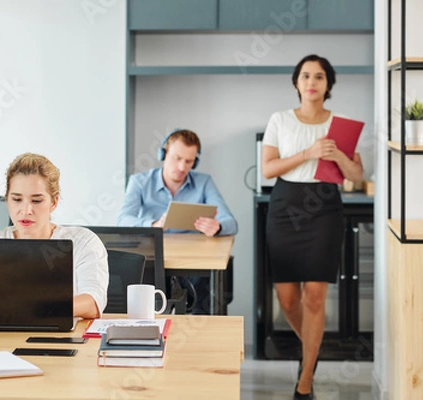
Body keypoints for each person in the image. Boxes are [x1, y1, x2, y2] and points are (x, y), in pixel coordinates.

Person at [262, 54, 363, 400]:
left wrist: (338, 157)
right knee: (288, 299)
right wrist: (308, 153)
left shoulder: (342, 124)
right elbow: (268, 168)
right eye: (305, 75)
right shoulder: (280, 120)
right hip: (285, 207)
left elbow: (356, 175)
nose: (312, 82)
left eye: (319, 76)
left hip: (324, 208)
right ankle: (312, 349)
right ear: (296, 82)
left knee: (315, 296)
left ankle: (305, 380)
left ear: (328, 84)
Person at [116, 129, 238, 314]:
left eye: (189, 161)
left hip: (193, 262)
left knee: (204, 300)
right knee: (147, 304)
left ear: (195, 162)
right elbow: (123, 220)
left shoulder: (204, 182)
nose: (182, 167)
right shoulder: (140, 182)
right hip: (154, 259)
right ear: (163, 154)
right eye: (176, 158)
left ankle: (199, 333)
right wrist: (153, 225)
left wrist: (218, 226)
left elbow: (231, 222)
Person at [0, 153, 108, 319]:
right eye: (16, 199)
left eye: (36, 201)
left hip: (63, 339)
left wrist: (38, 308)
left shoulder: (82, 241)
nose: (26, 210)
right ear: (7, 200)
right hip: (2, 340)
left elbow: (93, 302)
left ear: (54, 202)